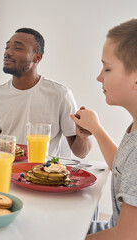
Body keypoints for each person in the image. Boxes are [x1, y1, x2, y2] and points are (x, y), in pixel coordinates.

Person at [0, 28, 92, 158]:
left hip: (43, 177)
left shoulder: (60, 94)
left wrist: (83, 135)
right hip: (4, 171)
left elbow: (81, 153)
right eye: (7, 47)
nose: (7, 52)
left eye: (17, 48)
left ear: (37, 57)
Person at [71, 19, 137, 240]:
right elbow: (121, 167)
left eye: (107, 68)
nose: (99, 76)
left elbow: (125, 236)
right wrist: (96, 129)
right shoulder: (134, 128)